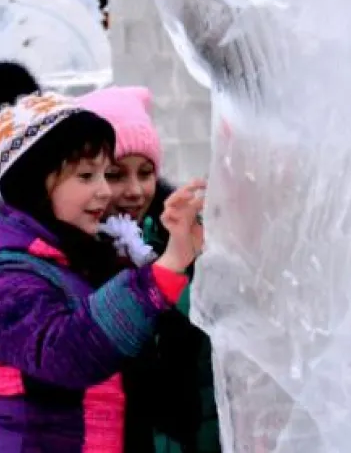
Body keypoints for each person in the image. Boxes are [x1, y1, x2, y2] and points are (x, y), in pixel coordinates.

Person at [0, 62, 205, 452]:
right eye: (86, 177)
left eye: (102, 174)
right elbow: (68, 350)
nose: (104, 193)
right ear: (35, 184)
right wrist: (163, 273)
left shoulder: (66, 259)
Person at [75, 86, 221, 452]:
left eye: (146, 172)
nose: (136, 190)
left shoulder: (181, 238)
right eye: (115, 174)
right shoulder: (68, 261)